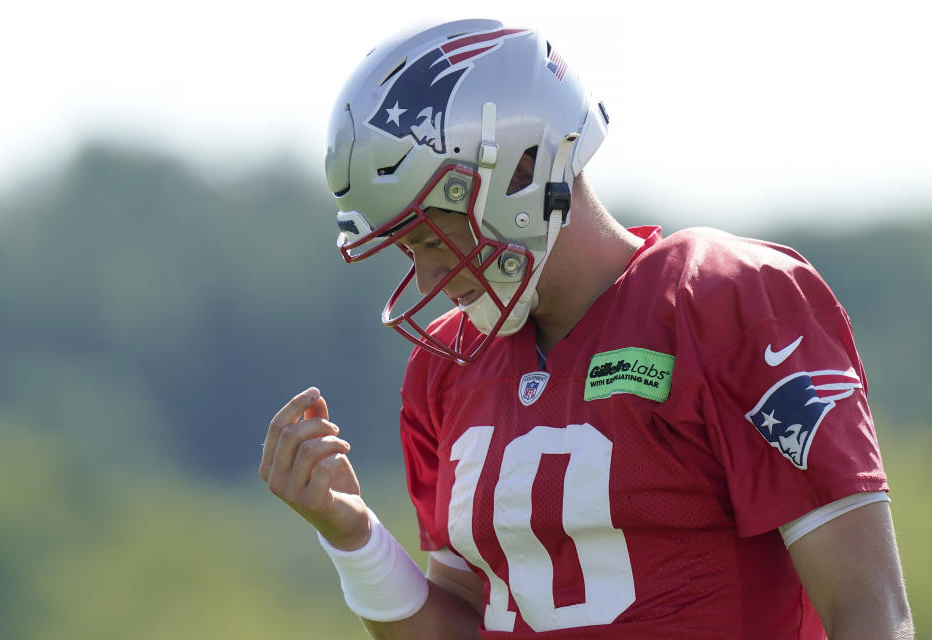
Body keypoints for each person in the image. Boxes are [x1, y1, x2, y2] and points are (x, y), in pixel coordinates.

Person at [259, 19, 914, 639]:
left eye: (434, 239)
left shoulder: (725, 302)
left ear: (519, 173)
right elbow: (464, 622)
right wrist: (355, 537)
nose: (429, 281)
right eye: (409, 251)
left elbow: (869, 611)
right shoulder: (447, 369)